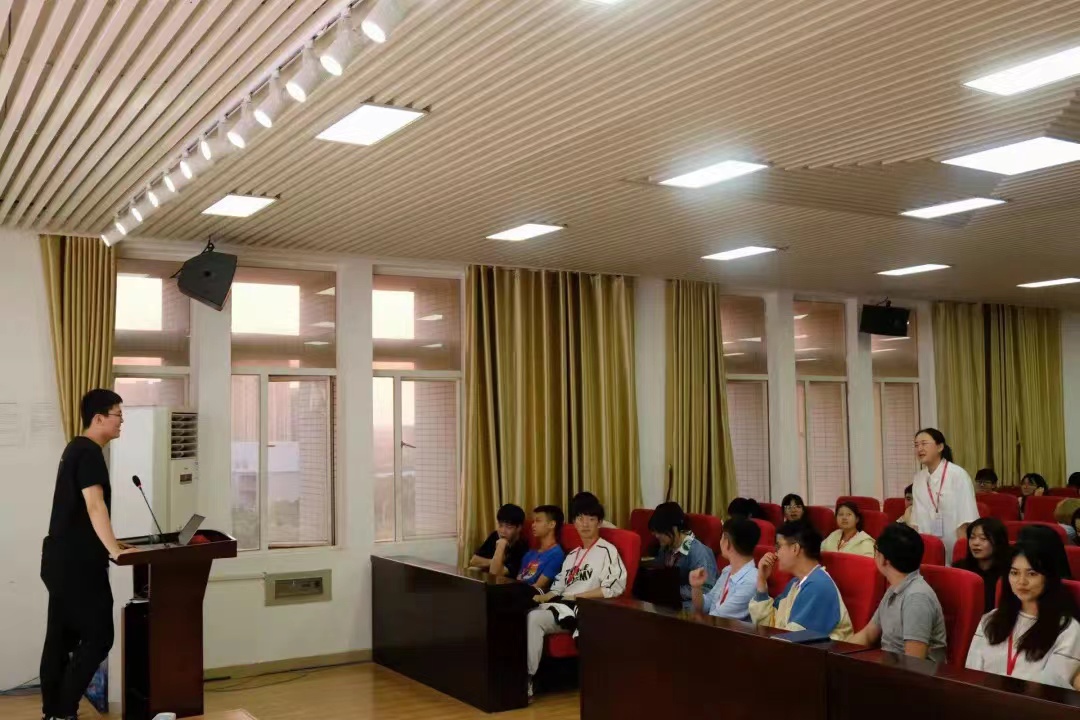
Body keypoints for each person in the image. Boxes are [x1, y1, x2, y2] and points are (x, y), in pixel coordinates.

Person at [40, 389, 138, 720]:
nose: (121, 421)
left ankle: (54, 713)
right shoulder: (89, 453)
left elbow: (81, 515)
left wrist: (113, 542)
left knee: (59, 639)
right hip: (78, 565)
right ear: (98, 418)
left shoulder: (75, 449)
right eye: (118, 415)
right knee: (99, 637)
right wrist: (113, 550)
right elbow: (94, 505)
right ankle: (63, 710)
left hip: (59, 559)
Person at [526, 493, 626, 697]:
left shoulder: (607, 551)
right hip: (563, 606)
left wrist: (579, 596)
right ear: (574, 522)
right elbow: (558, 587)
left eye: (591, 519)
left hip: (585, 609)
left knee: (535, 618)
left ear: (599, 522)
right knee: (522, 612)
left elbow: (613, 588)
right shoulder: (572, 555)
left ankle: (528, 679)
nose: (585, 524)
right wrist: (540, 597)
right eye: (580, 518)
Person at [965, 535, 1080, 690]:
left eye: (1032, 574)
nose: (1021, 581)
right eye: (1014, 573)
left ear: (1048, 578)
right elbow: (972, 676)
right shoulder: (990, 619)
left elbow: (1051, 689)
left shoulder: (1067, 630)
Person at [849, 524, 948, 662]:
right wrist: (837, 652)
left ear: (884, 559)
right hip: (889, 666)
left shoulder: (917, 599)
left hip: (907, 672)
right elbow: (868, 635)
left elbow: (913, 664)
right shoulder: (894, 588)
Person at [749, 521, 853, 640]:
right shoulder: (795, 584)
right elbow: (767, 627)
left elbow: (792, 641)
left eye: (778, 546)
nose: (776, 553)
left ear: (795, 548)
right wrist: (761, 580)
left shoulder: (819, 586)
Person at [911, 428, 979, 565]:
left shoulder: (958, 475)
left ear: (940, 447)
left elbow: (965, 519)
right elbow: (916, 520)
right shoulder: (918, 478)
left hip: (953, 545)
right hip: (927, 547)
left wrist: (961, 555)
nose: (919, 449)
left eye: (924, 443)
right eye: (916, 445)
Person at [648, 501, 718, 609]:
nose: (656, 535)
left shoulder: (698, 552)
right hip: (671, 599)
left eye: (660, 531)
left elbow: (705, 590)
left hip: (692, 604)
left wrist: (673, 591)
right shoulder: (665, 548)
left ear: (674, 528)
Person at [691, 517, 760, 620]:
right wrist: (696, 587)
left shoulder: (751, 582)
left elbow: (717, 618)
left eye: (722, 537)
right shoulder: (728, 570)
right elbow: (705, 605)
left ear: (727, 542)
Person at [953, 517, 1010, 612]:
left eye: (983, 538)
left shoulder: (1009, 572)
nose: (975, 543)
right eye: (972, 537)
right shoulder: (959, 569)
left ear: (998, 541)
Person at [469, 503, 529, 578]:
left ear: (519, 528)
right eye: (500, 525)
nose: (503, 531)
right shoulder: (495, 535)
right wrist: (493, 562)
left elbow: (495, 574)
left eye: (509, 527)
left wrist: (501, 546)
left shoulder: (521, 548)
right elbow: (473, 561)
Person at [516, 505, 566, 591]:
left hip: (532, 594)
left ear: (552, 524)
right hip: (517, 591)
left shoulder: (557, 554)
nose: (533, 525)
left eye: (538, 521)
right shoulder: (530, 554)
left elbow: (539, 586)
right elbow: (518, 580)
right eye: (533, 521)